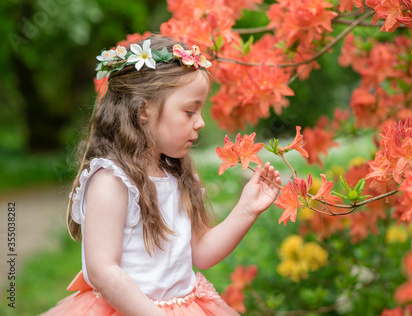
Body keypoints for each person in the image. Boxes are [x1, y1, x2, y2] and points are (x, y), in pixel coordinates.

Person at [42, 35, 281, 316]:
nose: (201, 122)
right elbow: (103, 270)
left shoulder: (177, 175)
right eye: (189, 111)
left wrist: (246, 209)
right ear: (144, 110)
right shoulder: (112, 182)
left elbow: (201, 253)